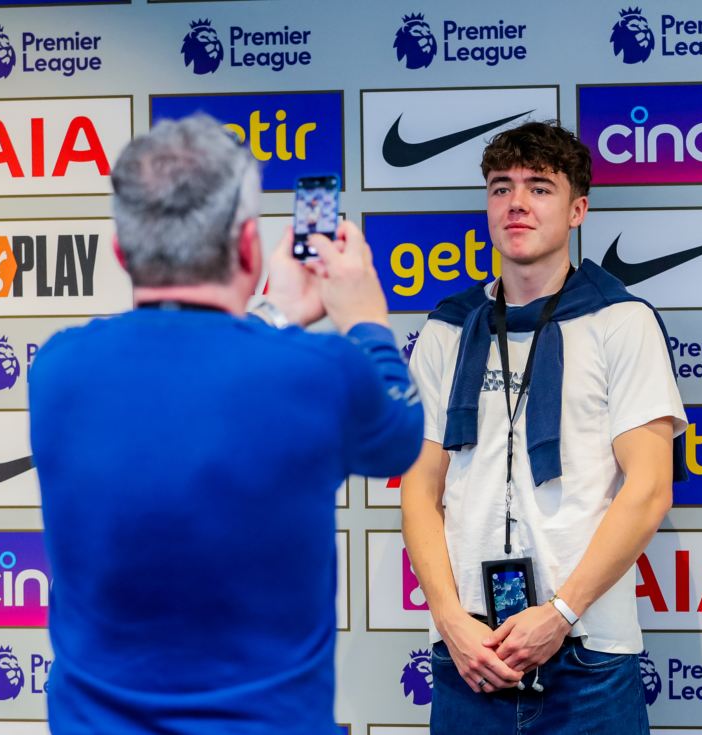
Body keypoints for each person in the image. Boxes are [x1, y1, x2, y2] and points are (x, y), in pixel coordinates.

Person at [28, 114, 424, 735]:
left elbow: (193, 378)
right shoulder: (319, 374)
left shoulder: (58, 370)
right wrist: (368, 319)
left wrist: (277, 312)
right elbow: (400, 436)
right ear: (247, 247)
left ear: (121, 250)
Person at [401, 121, 688, 734]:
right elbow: (420, 491)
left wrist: (558, 612)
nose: (517, 204)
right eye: (501, 188)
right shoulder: (449, 328)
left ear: (578, 208)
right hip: (469, 653)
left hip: (586, 654)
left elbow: (649, 489)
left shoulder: (621, 321)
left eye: (539, 187)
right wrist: (450, 621)